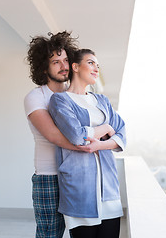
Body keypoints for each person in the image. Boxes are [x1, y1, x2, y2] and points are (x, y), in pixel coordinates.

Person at [24, 32, 113, 238]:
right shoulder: (36, 97)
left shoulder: (78, 96)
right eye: (56, 62)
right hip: (50, 176)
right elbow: (55, 136)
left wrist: (94, 141)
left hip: (79, 176)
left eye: (66, 60)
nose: (63, 65)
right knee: (49, 234)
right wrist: (92, 145)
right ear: (43, 67)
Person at [48, 49, 126, 238]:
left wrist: (98, 145)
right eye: (91, 63)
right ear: (75, 67)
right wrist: (106, 128)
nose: (96, 69)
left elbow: (122, 133)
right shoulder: (60, 100)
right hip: (79, 189)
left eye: (97, 65)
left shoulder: (102, 100)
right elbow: (77, 136)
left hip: (109, 189)